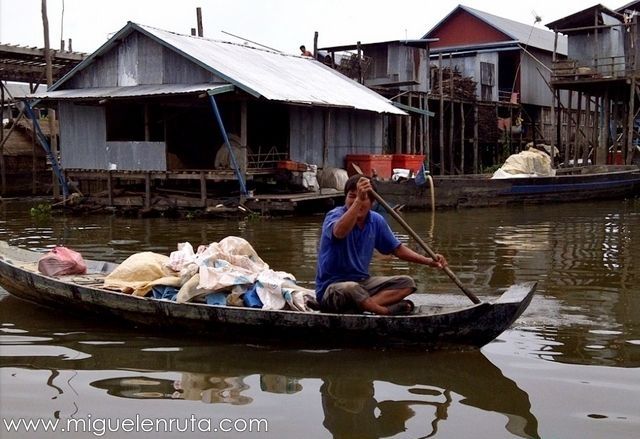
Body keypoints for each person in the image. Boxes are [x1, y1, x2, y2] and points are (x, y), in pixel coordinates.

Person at [315, 175, 447, 315]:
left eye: (363, 198)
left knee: (407, 283)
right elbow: (340, 232)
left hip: (362, 282)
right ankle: (384, 311)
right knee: (351, 288)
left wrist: (429, 261)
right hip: (332, 288)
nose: (355, 201)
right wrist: (359, 199)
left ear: (372, 203)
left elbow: (397, 249)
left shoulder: (376, 220)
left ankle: (362, 306)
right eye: (351, 196)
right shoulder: (335, 215)